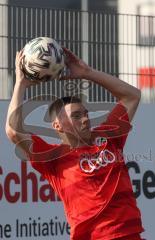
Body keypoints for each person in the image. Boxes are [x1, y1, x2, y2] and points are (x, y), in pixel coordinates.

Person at [5, 48, 144, 240]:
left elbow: (132, 96)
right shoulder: (52, 158)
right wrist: (20, 83)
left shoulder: (108, 137)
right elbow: (13, 130)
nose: (85, 119)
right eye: (76, 116)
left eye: (86, 113)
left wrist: (88, 73)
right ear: (57, 125)